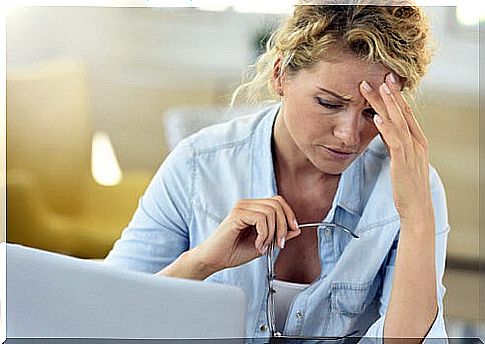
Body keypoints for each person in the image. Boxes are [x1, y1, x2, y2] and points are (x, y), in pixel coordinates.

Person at [105, 3, 449, 341]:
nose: (349, 135)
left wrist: (417, 215)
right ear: (280, 75)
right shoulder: (197, 165)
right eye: (329, 104)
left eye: (373, 113)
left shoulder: (412, 187)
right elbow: (108, 317)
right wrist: (203, 263)